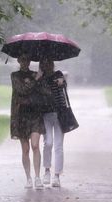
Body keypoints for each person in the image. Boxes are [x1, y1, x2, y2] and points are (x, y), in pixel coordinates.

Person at [10, 54, 45, 190]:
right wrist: (35, 80)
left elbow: (42, 92)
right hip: (21, 116)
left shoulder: (36, 74)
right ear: (19, 61)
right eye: (22, 59)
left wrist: (41, 79)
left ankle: (37, 177)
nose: (25, 62)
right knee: (25, 149)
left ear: (30, 61)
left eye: (27, 59)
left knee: (35, 145)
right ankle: (28, 178)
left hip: (35, 114)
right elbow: (22, 91)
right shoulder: (15, 76)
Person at [38, 59, 66, 187]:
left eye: (49, 62)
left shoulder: (58, 74)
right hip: (46, 114)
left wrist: (62, 81)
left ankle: (57, 176)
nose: (47, 65)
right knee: (48, 142)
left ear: (52, 64)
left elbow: (63, 83)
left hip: (60, 114)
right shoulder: (40, 78)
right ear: (42, 65)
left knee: (59, 145)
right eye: (45, 63)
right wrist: (37, 79)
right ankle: (47, 171)